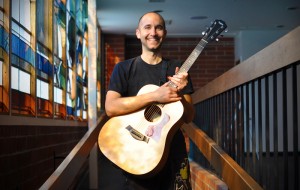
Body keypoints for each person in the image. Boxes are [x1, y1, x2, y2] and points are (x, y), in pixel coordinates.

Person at [101, 11, 195, 190]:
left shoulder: (178, 71)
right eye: (148, 27)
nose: (153, 32)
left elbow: (189, 116)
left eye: (159, 28)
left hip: (172, 153)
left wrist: (181, 94)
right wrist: (154, 96)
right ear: (138, 33)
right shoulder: (123, 68)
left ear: (164, 34)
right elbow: (111, 108)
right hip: (137, 153)